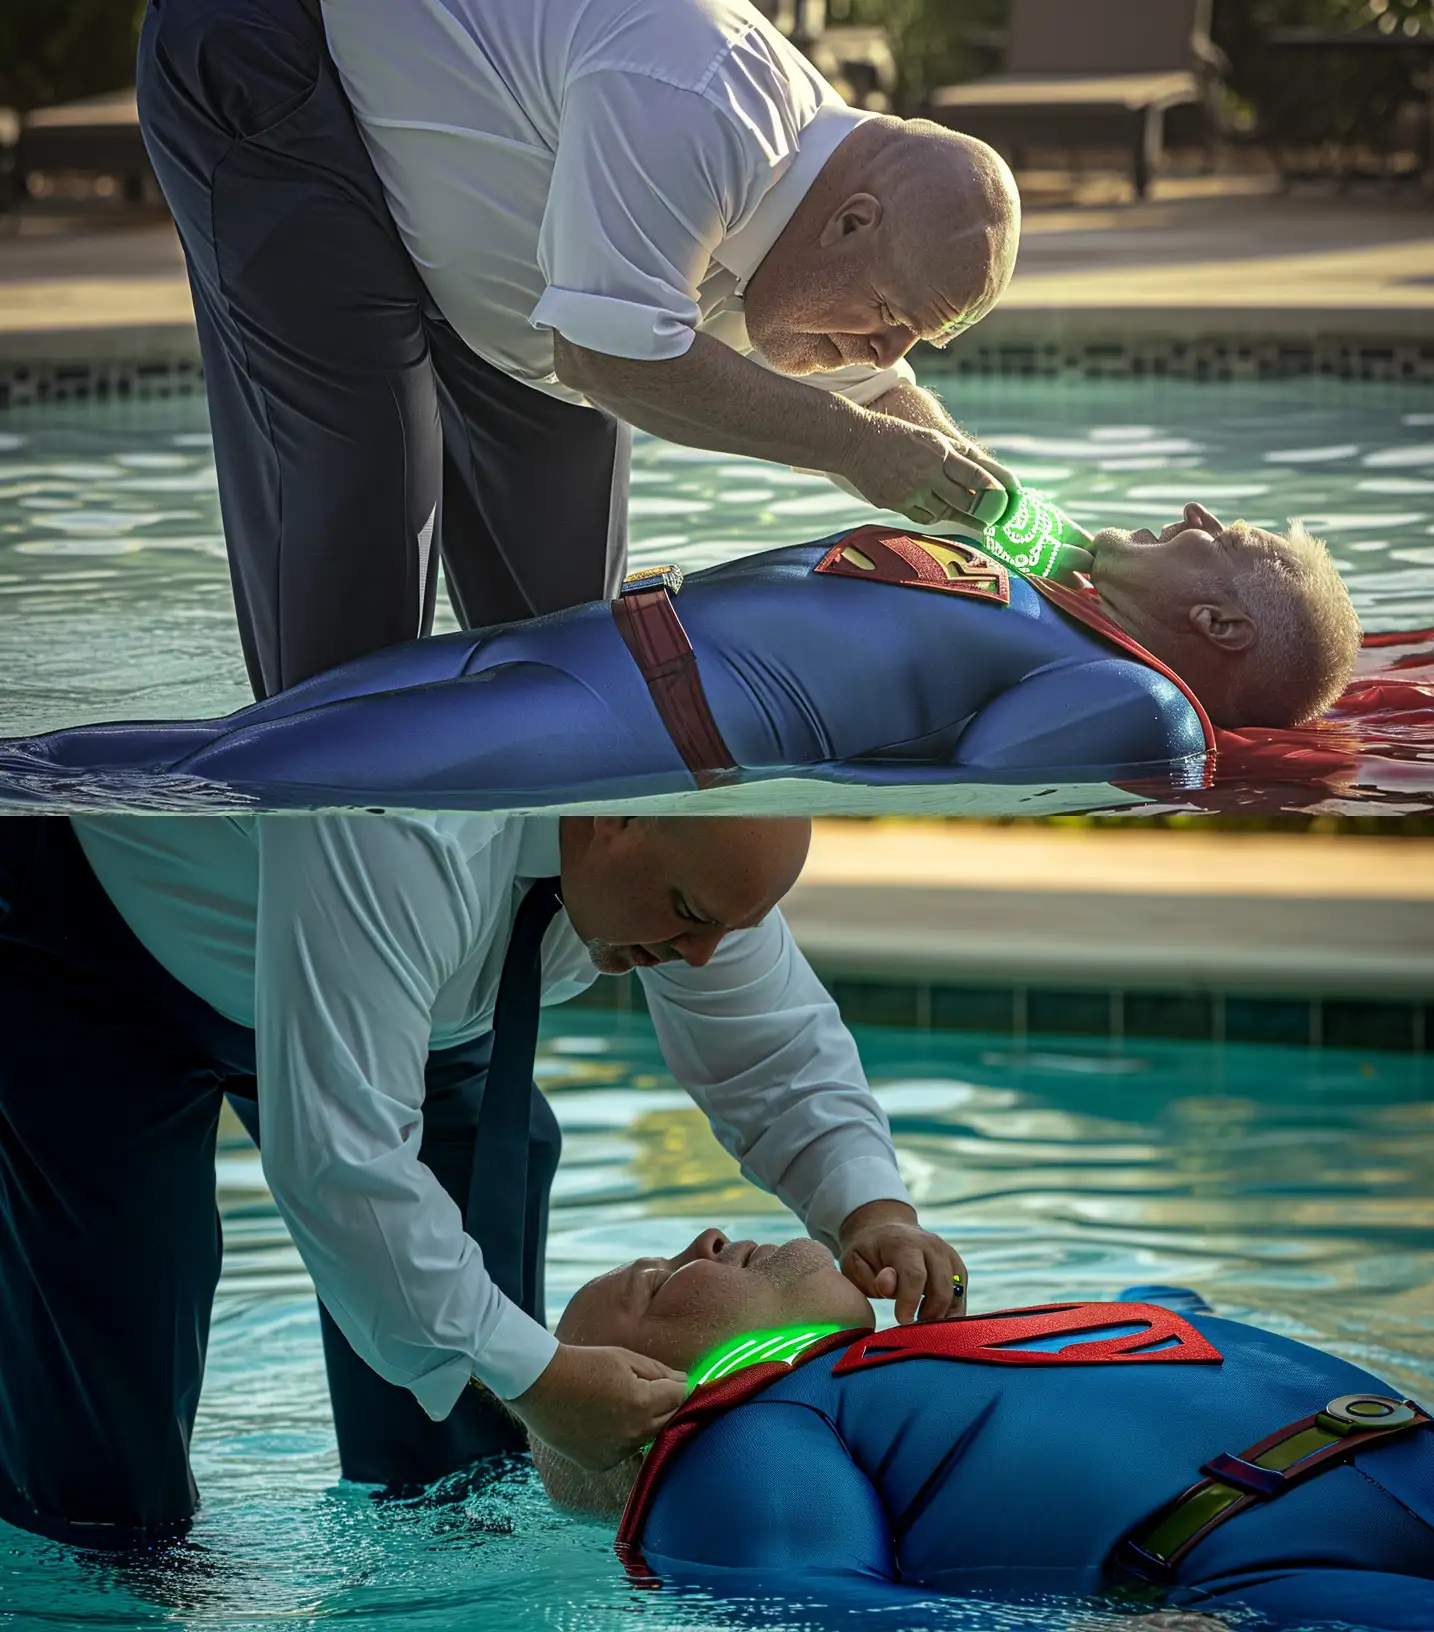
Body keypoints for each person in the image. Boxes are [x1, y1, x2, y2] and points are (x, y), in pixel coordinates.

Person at [0, 814, 966, 1546]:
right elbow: (342, 1162)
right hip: (104, 950)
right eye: (685, 916)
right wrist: (533, 1369)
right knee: (103, 1476)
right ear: (608, 819)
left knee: (459, 1476)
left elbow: (770, 1042)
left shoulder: (694, 848)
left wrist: (867, 1206)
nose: (702, 954)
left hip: (426, 1010)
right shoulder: (413, 830)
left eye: (733, 925)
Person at [137, 0, 1020, 697]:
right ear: (852, 222)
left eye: (916, 337)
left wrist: (978, 491)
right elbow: (612, 361)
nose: (890, 347)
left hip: (474, 169)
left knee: (570, 656)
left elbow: (875, 400)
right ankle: (317, 807)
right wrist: (857, 448)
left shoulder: (820, 225)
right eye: (890, 315)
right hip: (272, 49)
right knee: (367, 460)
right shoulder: (698, 100)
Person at [1, 507, 1359, 807]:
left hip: (614, 724)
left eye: (1222, 540)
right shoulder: (1044, 595)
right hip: (568, 653)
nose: (1190, 515)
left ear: (1223, 631)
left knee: (229, 783)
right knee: (217, 745)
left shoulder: (1138, 699)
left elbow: (969, 774)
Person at [529, 1229, 1434, 1627]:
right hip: (1281, 1571)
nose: (712, 1238)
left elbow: (1154, 1322)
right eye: (661, 1279)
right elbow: (809, 1600)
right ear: (648, 1388)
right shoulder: (740, 1437)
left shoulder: (915, 1368)